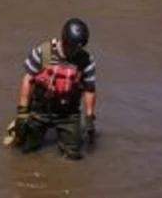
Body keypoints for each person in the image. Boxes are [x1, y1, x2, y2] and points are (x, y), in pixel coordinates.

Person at [9, 17, 97, 160]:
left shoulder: (86, 61)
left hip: (68, 113)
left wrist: (89, 118)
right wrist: (22, 112)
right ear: (64, 40)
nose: (74, 50)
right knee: (24, 150)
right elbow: (28, 80)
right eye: (71, 46)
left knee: (73, 155)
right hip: (40, 109)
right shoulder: (42, 52)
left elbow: (89, 89)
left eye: (78, 48)